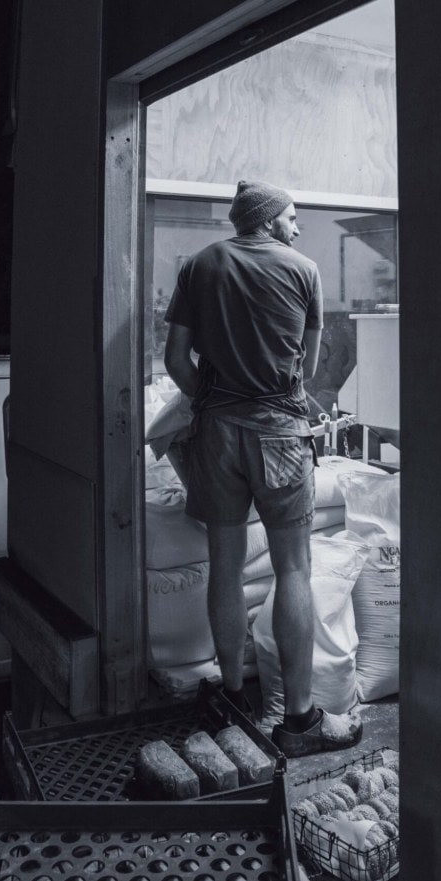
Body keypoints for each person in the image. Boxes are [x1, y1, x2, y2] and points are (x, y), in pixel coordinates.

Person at [163, 179, 363, 757]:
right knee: (294, 571)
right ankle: (298, 722)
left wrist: (214, 401)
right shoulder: (304, 269)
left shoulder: (200, 266)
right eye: (293, 216)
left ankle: (228, 698)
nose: (298, 227)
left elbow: (177, 358)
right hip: (278, 434)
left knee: (225, 566)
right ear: (269, 218)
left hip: (216, 434)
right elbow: (306, 364)